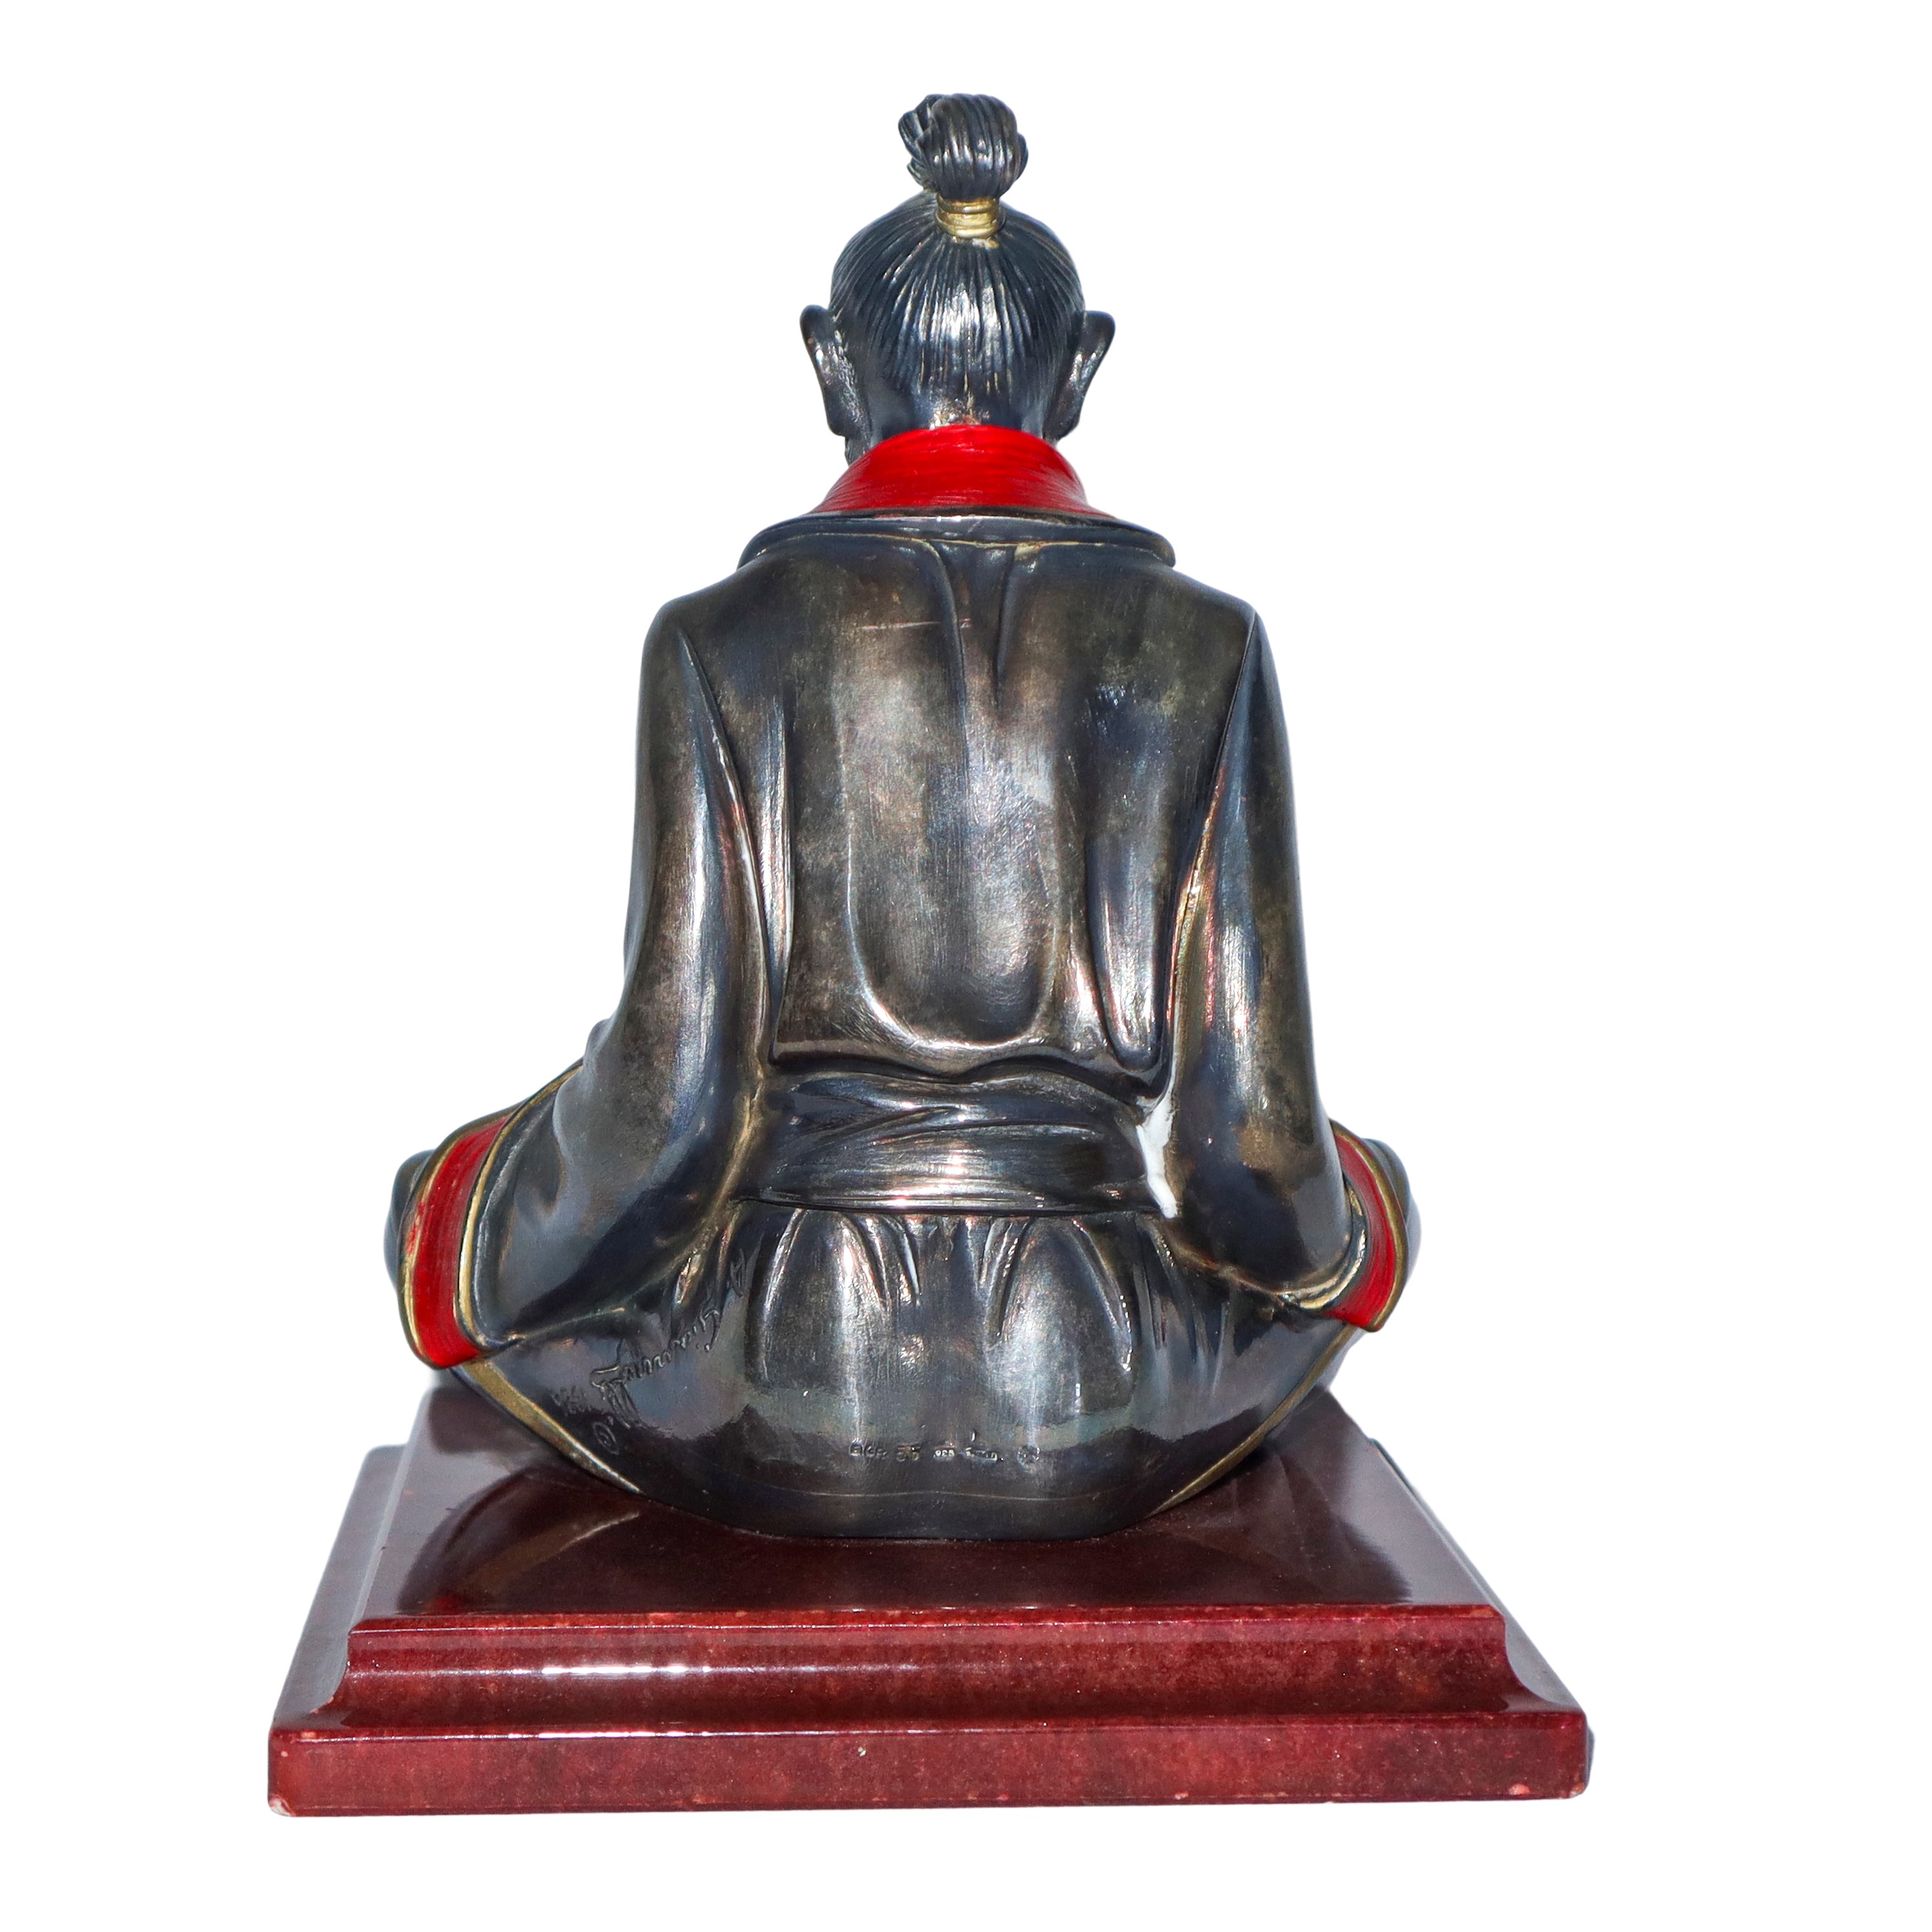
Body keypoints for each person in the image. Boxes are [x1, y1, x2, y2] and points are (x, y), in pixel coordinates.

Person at [386, 94, 1418, 1538]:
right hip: (1103, 1382)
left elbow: (667, 1117)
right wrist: (1360, 1227)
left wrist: (462, 1226)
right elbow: (1254, 1156)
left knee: (444, 1220)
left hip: (788, 1378)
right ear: (1082, 368)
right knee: (1374, 1212)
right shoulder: (1207, 645)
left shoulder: (719, 640)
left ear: (828, 362)